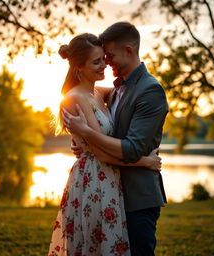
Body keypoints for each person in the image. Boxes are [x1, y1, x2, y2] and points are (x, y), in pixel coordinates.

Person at [48, 33, 162, 256]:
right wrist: (145, 161)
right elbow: (102, 154)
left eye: (104, 59)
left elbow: (127, 94)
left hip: (109, 179)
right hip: (94, 180)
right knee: (94, 245)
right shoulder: (75, 98)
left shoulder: (97, 93)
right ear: (78, 67)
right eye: (96, 61)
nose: (104, 66)